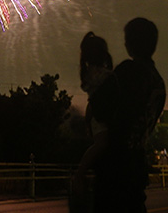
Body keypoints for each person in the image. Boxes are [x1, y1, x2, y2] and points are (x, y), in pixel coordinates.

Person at [109, 17, 166, 213]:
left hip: (117, 164)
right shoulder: (159, 82)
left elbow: (107, 109)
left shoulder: (129, 71)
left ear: (132, 42)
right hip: (137, 164)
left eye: (127, 38)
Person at [71, 31, 118, 212]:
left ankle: (81, 173)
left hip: (95, 120)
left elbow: (92, 100)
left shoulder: (89, 73)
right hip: (101, 121)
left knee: (99, 145)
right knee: (102, 144)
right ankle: (80, 173)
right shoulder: (105, 76)